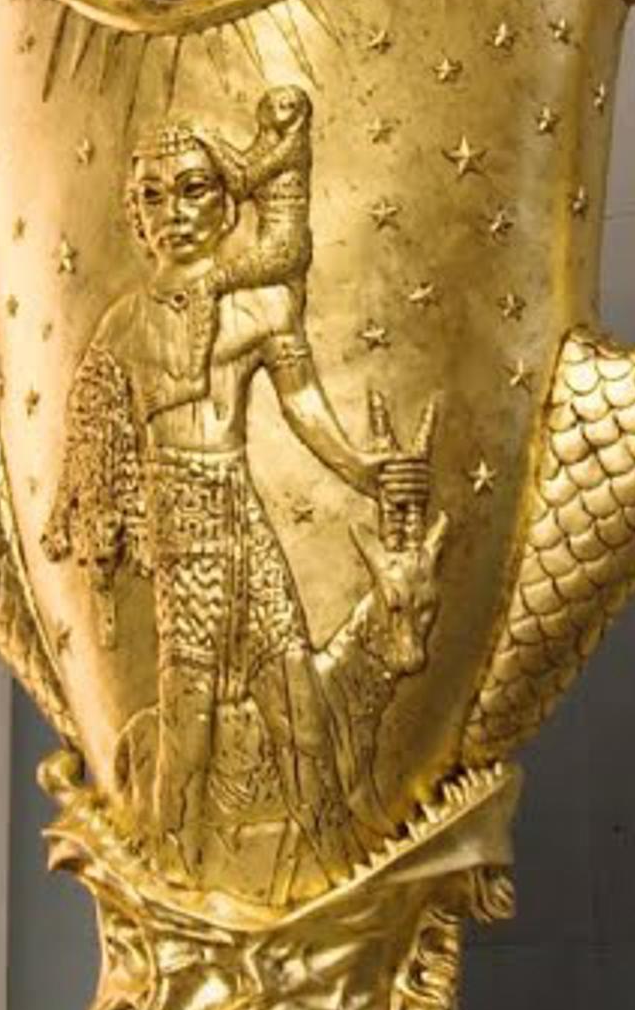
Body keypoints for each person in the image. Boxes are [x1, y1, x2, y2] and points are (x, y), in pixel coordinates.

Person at [44, 102, 428, 898]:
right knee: (188, 732)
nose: (173, 213)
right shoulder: (121, 331)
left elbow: (305, 409)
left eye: (192, 190)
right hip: (180, 532)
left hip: (242, 521)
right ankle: (173, 883)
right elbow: (92, 469)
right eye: (153, 197)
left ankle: (339, 874)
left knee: (300, 714)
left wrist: (366, 470)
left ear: (227, 202)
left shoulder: (261, 307)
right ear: (134, 217)